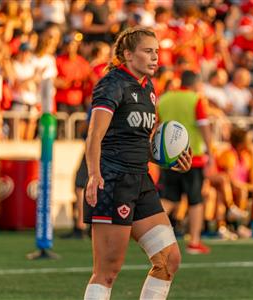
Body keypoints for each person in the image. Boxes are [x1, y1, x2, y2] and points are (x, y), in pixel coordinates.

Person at [83, 27, 191, 300]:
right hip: (114, 181)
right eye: (147, 51)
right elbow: (95, 135)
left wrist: (168, 159)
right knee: (107, 272)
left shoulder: (149, 88)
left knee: (169, 260)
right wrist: (94, 175)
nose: (155, 57)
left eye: (157, 51)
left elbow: (138, 143)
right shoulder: (112, 83)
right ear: (128, 55)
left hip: (141, 181)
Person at [157, 70, 214, 254]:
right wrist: (211, 153)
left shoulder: (164, 98)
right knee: (195, 201)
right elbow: (204, 127)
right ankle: (194, 241)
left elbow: (156, 126)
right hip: (192, 157)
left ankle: (150, 235)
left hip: (168, 158)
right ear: (195, 83)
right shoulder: (196, 99)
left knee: (168, 199)